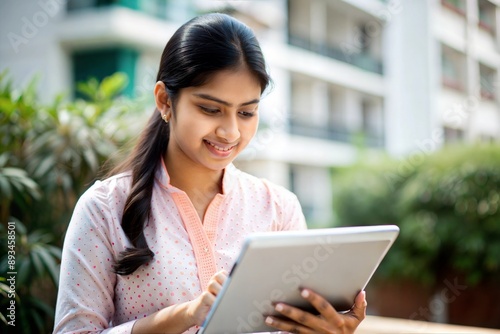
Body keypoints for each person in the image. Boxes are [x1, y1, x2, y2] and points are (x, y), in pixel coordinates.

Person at [53, 13, 366, 334]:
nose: (230, 132)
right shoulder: (104, 208)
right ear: (165, 100)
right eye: (210, 109)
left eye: (246, 112)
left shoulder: (279, 209)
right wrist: (185, 315)